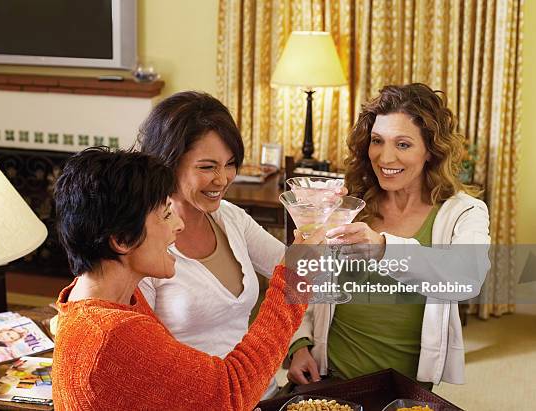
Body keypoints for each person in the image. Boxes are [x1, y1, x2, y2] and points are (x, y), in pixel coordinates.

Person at [51, 147, 321, 410]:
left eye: (229, 164)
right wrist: (295, 276)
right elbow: (229, 393)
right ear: (122, 239)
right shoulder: (112, 335)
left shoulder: (97, 301)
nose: (178, 225)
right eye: (166, 215)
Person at [287, 83, 490, 388]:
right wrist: (299, 344)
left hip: (403, 386)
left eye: (403, 144)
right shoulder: (347, 204)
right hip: (328, 373)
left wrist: (383, 248)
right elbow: (299, 274)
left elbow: (467, 278)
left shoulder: (463, 213)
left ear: (430, 151)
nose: (385, 157)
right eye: (377, 141)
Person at [137, 91, 288, 398]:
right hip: (196, 401)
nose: (223, 179)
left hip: (262, 395)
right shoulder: (144, 242)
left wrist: (374, 244)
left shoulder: (229, 218)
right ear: (169, 164)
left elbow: (302, 274)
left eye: (230, 164)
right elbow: (147, 362)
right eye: (207, 167)